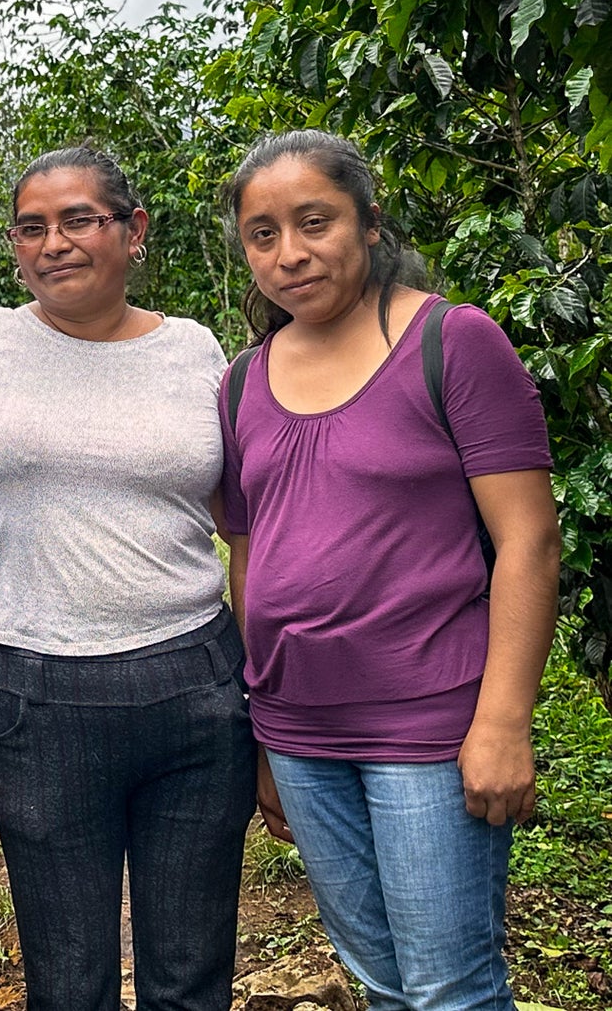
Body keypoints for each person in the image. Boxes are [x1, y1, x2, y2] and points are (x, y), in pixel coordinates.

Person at [220, 130, 560, 1011]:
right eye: (263, 234)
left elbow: (528, 541)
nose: (290, 254)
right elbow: (250, 552)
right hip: (299, 731)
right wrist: (263, 729)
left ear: (369, 223)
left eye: (314, 221)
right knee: (378, 981)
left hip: (430, 726)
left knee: (451, 988)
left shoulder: (454, 342)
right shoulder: (242, 381)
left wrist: (503, 722)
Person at [0, 146, 255, 1011]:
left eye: (79, 220)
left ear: (133, 230)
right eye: (31, 228)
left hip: (194, 684)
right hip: (35, 687)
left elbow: (242, 515)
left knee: (190, 974)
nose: (53, 244)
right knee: (67, 980)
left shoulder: (193, 351)